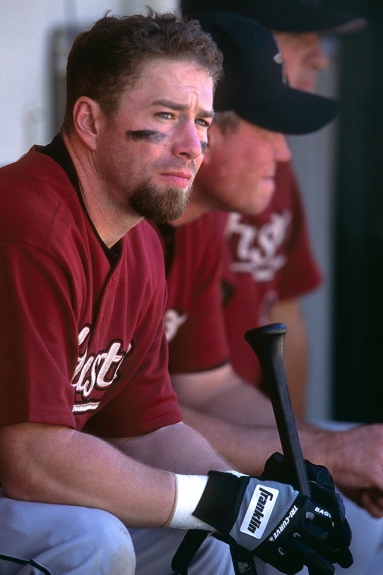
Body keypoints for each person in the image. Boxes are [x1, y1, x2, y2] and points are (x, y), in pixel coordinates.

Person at [0, 9, 354, 575]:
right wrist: (220, 502)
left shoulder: (138, 237)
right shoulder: (27, 230)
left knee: (209, 537)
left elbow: (148, 427)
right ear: (90, 123)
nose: (193, 145)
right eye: (166, 116)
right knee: (85, 542)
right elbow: (34, 463)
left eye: (203, 121)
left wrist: (254, 495)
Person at [155, 7, 383, 575]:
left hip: (161, 454)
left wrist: (317, 464)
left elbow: (208, 386)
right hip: (69, 477)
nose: (284, 155)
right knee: (217, 546)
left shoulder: (201, 222)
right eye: (270, 131)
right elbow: (125, 421)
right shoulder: (128, 230)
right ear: (202, 130)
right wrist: (323, 455)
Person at [181, 0, 367, 418]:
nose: (320, 57)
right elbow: (139, 414)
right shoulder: (165, 210)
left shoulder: (259, 172)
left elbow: (285, 309)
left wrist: (302, 456)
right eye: (301, 38)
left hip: (236, 420)